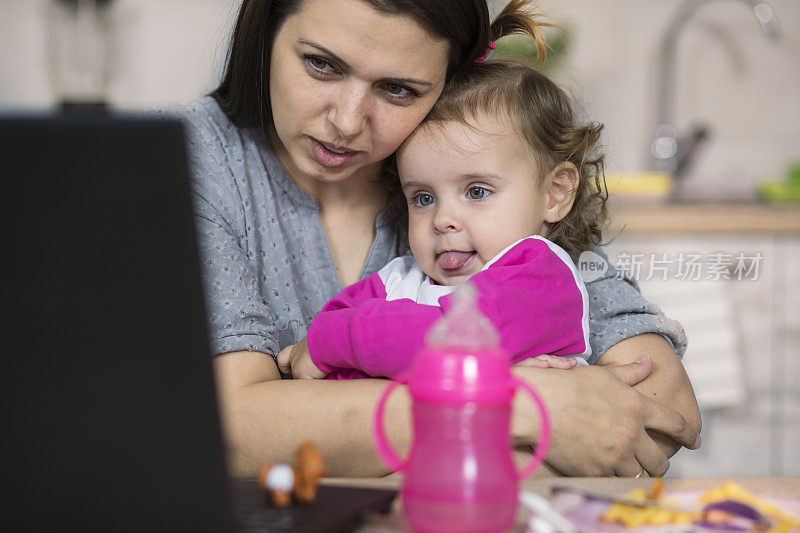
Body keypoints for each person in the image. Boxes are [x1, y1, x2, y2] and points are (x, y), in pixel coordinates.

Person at [172, 0, 701, 479]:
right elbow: (229, 430)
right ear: (265, 34)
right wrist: (521, 409)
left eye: (398, 89)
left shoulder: (474, 175)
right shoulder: (189, 162)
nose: (347, 122)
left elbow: (658, 404)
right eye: (321, 64)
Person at [276, 59, 605, 381]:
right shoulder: (401, 279)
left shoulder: (541, 280)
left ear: (555, 194)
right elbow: (330, 349)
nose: (442, 219)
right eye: (424, 199)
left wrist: (334, 342)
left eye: (477, 192)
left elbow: (442, 340)